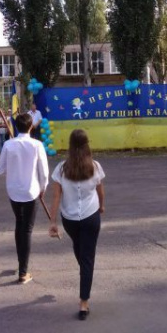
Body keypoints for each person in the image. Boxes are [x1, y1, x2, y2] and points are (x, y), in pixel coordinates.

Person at [48, 130, 105, 320]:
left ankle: (84, 299)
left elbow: (57, 196)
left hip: (70, 219)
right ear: (87, 144)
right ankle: (84, 299)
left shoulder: (62, 169)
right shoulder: (94, 166)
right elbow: (100, 190)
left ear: (70, 145)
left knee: (82, 253)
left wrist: (53, 221)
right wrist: (102, 206)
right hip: (91, 216)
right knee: (86, 257)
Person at [0, 113, 49, 284]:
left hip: (14, 190)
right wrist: (43, 188)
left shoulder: (8, 144)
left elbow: (0, 169)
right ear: (31, 127)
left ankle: (21, 263)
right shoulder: (36, 145)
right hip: (31, 191)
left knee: (20, 225)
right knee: (25, 229)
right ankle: (23, 271)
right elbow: (44, 171)